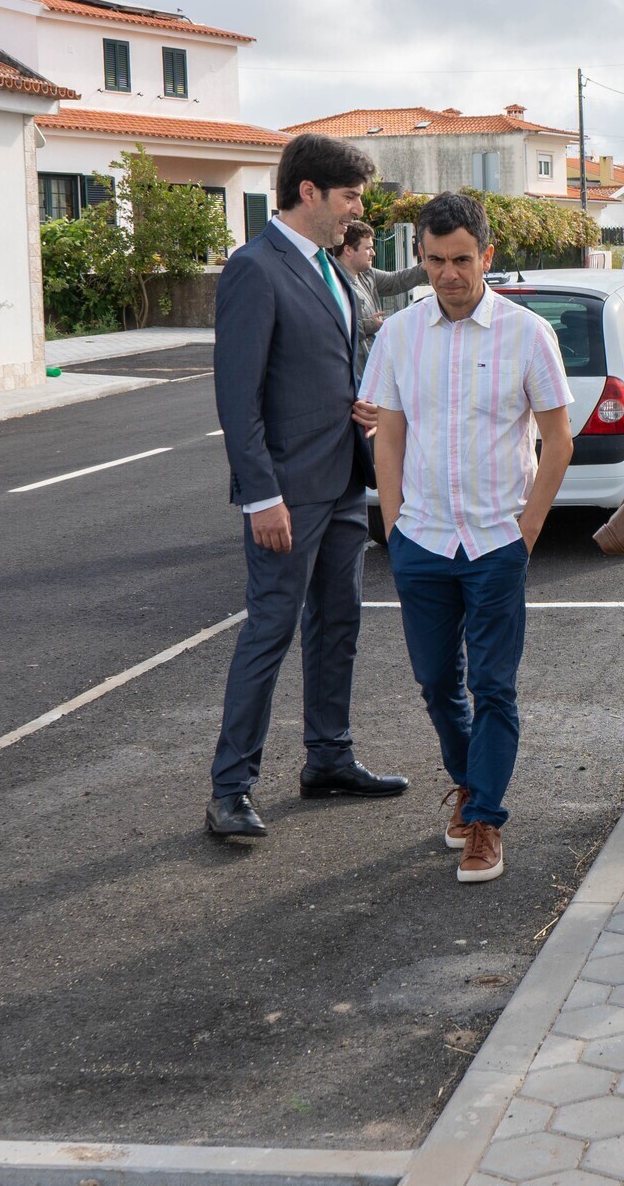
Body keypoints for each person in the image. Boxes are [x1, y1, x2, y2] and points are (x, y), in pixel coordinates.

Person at [366, 193, 574, 884]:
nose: (448, 274)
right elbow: (388, 436)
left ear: (487, 256)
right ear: (420, 257)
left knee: (493, 686)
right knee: (436, 684)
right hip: (421, 540)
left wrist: (528, 530)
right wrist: (393, 528)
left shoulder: (527, 333)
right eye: (435, 260)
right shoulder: (400, 334)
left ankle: (485, 818)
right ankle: (467, 782)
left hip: (495, 542)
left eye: (461, 259)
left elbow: (558, 440)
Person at [207, 134, 408, 839]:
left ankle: (328, 759)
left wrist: (363, 404)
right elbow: (238, 398)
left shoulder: (330, 267)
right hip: (287, 493)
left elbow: (333, 362)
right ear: (309, 192)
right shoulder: (254, 269)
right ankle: (230, 789)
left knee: (339, 624)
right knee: (270, 630)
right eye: (349, 197)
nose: (357, 210)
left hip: (345, 478)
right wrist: (261, 496)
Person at [338, 218, 427, 376]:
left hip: (370, 370)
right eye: (368, 248)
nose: (373, 253)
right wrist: (367, 326)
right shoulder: (331, 280)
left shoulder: (367, 274)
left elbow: (397, 280)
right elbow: (331, 329)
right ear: (348, 250)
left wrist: (427, 266)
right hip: (349, 374)